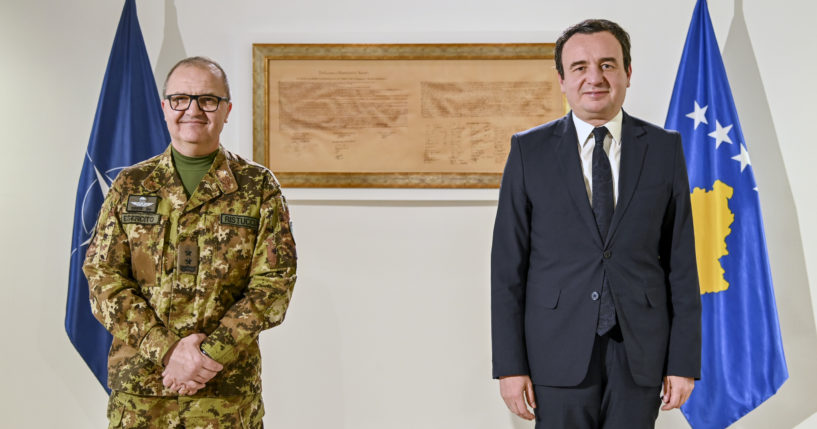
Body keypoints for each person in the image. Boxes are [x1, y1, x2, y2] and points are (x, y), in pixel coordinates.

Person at [491, 19, 701, 428]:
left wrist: (684, 361)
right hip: (555, 353)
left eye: (607, 65)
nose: (594, 78)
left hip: (640, 353)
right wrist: (510, 367)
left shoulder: (664, 149)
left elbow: (682, 264)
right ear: (562, 79)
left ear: (627, 73)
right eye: (580, 67)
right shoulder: (527, 152)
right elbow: (507, 270)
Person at [84, 56, 297, 428]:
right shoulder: (130, 186)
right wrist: (167, 352)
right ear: (164, 107)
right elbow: (103, 279)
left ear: (227, 110)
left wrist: (207, 356)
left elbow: (274, 284)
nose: (193, 110)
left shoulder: (258, 187)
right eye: (180, 99)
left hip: (224, 393)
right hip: (142, 394)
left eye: (207, 100)